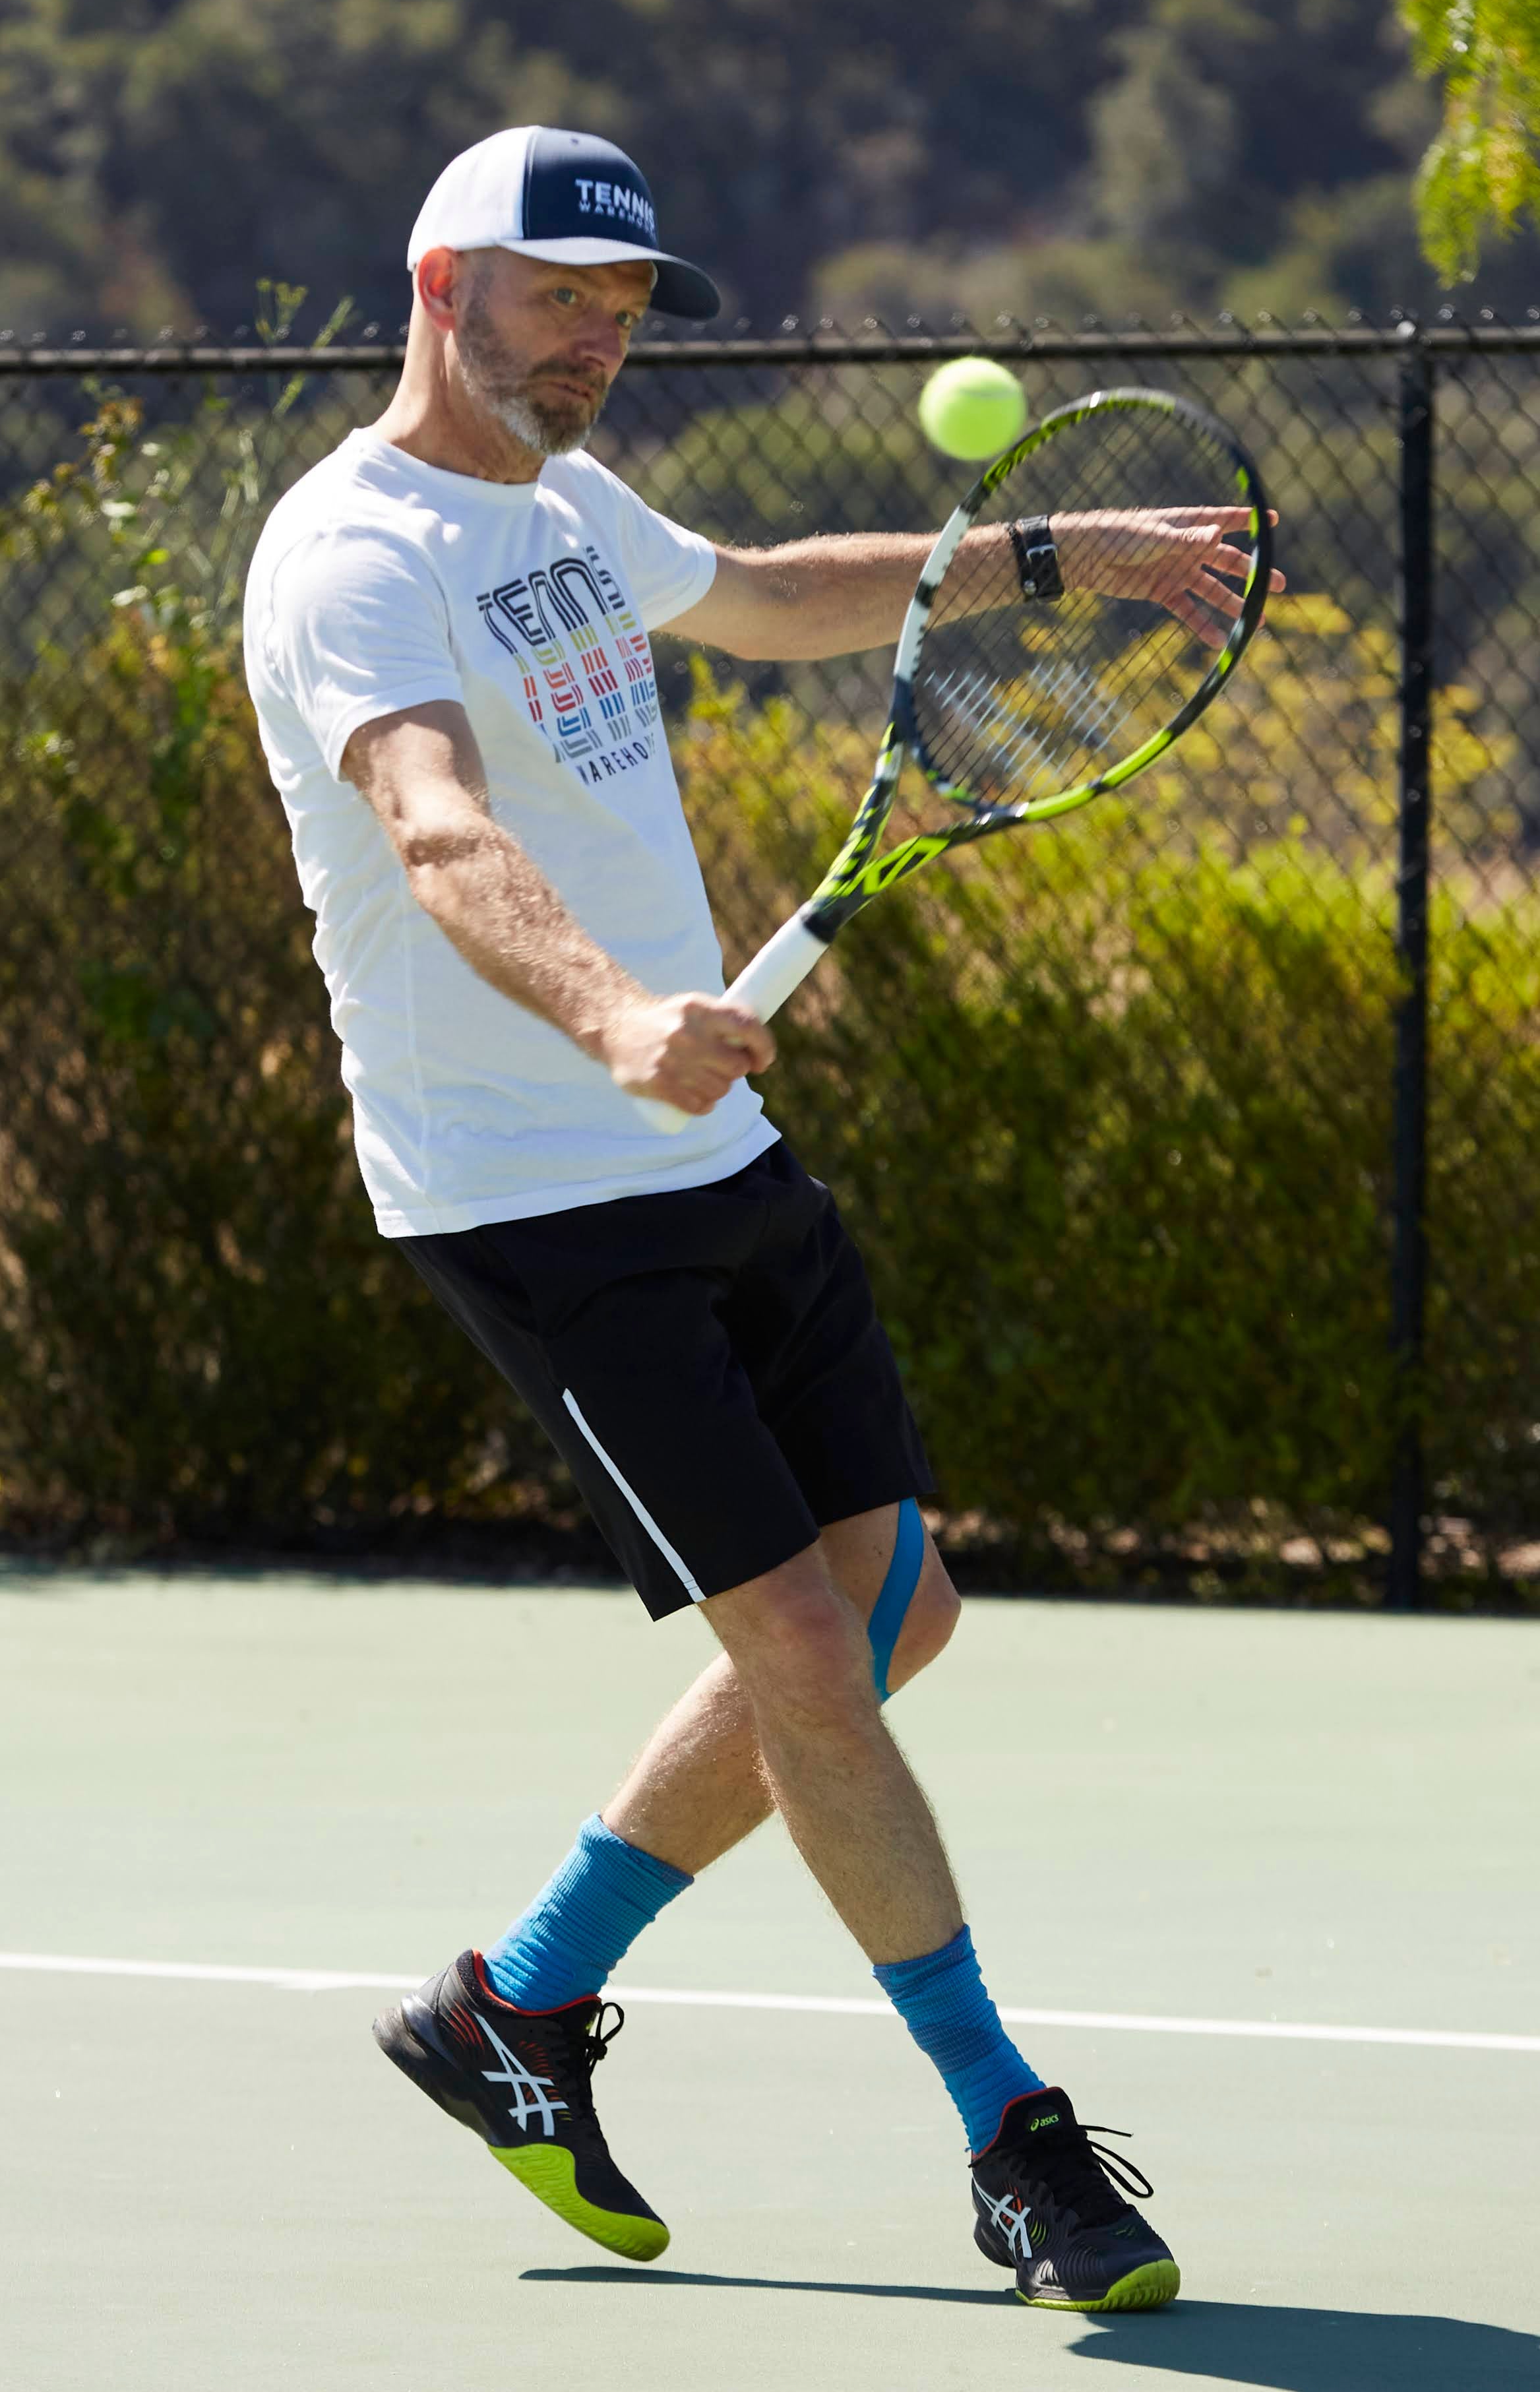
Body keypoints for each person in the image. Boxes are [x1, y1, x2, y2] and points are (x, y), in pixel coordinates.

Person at [242, 125, 1262, 2313]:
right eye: (560, 298)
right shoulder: (353, 555)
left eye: (623, 310)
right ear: (443, 288)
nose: (597, 342)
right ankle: (1013, 2139)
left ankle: (517, 2005)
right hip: (532, 1195)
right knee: (801, 1645)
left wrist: (1055, 553)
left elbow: (781, 595)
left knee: (892, 1612)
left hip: (710, 1162)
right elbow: (433, 826)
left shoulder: (566, 506)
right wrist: (617, 1014)